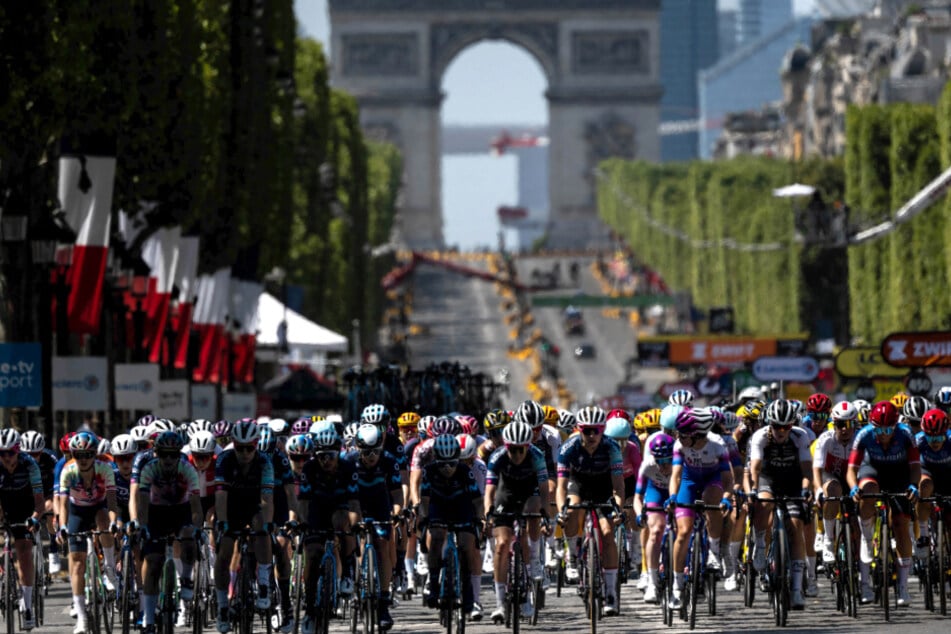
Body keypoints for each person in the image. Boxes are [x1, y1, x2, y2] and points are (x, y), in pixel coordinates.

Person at [847, 400, 920, 606]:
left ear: (895, 426)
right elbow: (852, 469)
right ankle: (867, 537)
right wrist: (854, 487)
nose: (884, 433)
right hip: (872, 471)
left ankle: (903, 587)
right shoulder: (864, 435)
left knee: (900, 525)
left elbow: (915, 466)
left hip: (899, 474)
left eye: (889, 429)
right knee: (867, 492)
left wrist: (914, 485)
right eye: (879, 429)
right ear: (873, 425)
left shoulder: (906, 434)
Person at [130, 431, 203, 634]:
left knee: (189, 536)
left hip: (181, 511)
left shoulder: (188, 470)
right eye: (164, 454)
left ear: (179, 454)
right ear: (157, 454)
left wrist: (197, 528)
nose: (169, 459)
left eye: (174, 454)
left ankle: (187, 578)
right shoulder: (149, 469)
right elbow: (142, 502)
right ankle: (149, 618)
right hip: (156, 514)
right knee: (152, 561)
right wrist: (142, 525)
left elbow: (196, 507)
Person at [556, 406, 625, 616]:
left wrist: (618, 510)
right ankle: (573, 556)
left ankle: (611, 592)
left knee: (607, 534)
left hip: (604, 487)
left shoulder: (612, 447)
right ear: (579, 430)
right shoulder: (569, 447)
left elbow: (619, 487)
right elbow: (561, 487)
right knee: (571, 512)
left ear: (603, 429)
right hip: (578, 484)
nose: (593, 435)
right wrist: (561, 511)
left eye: (597, 430)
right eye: (587, 431)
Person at [748, 400, 814, 609]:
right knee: (764, 503)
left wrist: (806, 490)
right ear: (770, 424)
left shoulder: (800, 436)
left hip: (793, 481)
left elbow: (806, 470)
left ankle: (795, 590)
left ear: (792, 424)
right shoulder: (760, 436)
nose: (781, 431)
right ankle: (760, 544)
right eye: (776, 426)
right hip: (768, 478)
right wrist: (752, 490)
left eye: (786, 426)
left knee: (796, 527)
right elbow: (756, 469)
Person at [213, 419, 276, 633]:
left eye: (250, 448)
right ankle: (222, 606)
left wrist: (267, 526)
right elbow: (220, 496)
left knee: (262, 527)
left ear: (256, 445)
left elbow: (267, 498)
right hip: (230, 507)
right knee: (225, 552)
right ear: (233, 444)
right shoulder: (224, 459)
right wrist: (222, 523)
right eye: (240, 448)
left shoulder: (265, 462)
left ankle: (265, 584)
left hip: (254, 505)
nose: (245, 453)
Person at [667, 408, 733, 610]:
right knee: (683, 532)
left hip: (712, 481)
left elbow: (728, 480)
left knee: (712, 500)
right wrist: (672, 497)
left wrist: (727, 498)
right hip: (689, 480)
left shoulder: (718, 445)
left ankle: (713, 551)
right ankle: (677, 586)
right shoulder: (680, 444)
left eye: (683, 434)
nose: (678, 437)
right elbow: (676, 475)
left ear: (696, 435)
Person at [297, 427, 360, 634]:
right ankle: (309, 610)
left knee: (344, 523)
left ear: (338, 453)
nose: (326, 461)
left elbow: (353, 503)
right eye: (321, 456)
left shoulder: (348, 467)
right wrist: (305, 525)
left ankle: (348, 571)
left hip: (340, 507)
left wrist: (353, 526)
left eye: (330, 456)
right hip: (316, 508)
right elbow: (304, 502)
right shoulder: (309, 468)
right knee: (313, 554)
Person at [484, 420, 548, 622]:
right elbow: (489, 491)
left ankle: (532, 571)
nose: (517, 455)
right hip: (506, 494)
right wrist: (488, 513)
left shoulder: (537, 456)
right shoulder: (498, 457)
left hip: (530, 492)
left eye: (521, 450)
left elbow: (544, 488)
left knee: (533, 513)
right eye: (513, 450)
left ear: (528, 446)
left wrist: (545, 511)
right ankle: (501, 603)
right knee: (502, 545)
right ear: (506, 446)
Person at [58, 431, 120, 634]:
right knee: (76, 563)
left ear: (95, 455)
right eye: (78, 455)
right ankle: (82, 618)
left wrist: (113, 523)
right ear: (73, 455)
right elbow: (64, 504)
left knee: (104, 521)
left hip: (99, 508)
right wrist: (63, 526)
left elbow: (112, 502)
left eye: (88, 455)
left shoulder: (105, 469)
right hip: (76, 512)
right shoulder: (68, 471)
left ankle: (110, 570)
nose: (83, 460)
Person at [418, 434, 485, 620]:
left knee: (466, 545)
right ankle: (433, 582)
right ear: (436, 460)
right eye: (442, 464)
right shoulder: (429, 471)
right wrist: (424, 518)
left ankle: (469, 596)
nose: (447, 468)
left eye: (452, 464)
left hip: (461, 506)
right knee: (437, 536)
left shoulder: (465, 471)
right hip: (438, 506)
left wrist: (480, 519)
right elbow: (423, 500)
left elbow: (478, 501)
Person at [347, 424, 403, 631]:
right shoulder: (349, 462)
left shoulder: (389, 461)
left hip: (381, 506)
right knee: (360, 542)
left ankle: (383, 600)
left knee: (382, 545)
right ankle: (357, 584)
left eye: (376, 451)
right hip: (356, 504)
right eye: (366, 452)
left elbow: (397, 493)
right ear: (358, 448)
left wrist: (396, 512)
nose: (371, 456)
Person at [0, 429, 45, 630]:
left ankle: (27, 606)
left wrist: (35, 519)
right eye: (1, 453)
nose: (5, 458)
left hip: (25, 506)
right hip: (4, 503)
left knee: (25, 550)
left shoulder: (29, 464)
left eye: (10, 453)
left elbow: (39, 502)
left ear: (18, 451)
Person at [813, 401, 857, 565]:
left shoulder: (859, 439)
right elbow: (817, 468)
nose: (844, 429)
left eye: (849, 424)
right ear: (833, 424)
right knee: (833, 490)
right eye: (840, 424)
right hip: (831, 476)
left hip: (852, 480)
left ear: (855, 424)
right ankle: (828, 541)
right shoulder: (825, 439)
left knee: (856, 523)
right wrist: (818, 490)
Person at [633, 433, 674, 604]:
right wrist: (639, 514)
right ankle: (652, 580)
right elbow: (638, 497)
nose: (664, 466)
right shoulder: (648, 465)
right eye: (660, 461)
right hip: (655, 492)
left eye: (668, 461)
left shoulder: (683, 463)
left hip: (676, 491)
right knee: (655, 530)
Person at [20, 430, 59, 574]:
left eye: (36, 454)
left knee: (49, 512)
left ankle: (54, 551)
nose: (32, 458)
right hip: (28, 493)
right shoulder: (18, 460)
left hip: (47, 492)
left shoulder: (51, 458)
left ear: (42, 451)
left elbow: (59, 482)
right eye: (28, 454)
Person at [914, 408, 951, 559]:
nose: (935, 443)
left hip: (948, 476)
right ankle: (923, 534)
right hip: (927, 473)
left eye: (939, 438)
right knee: (924, 485)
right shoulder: (917, 440)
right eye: (931, 439)